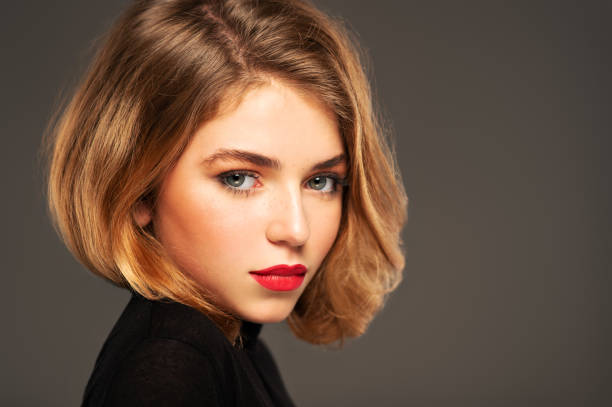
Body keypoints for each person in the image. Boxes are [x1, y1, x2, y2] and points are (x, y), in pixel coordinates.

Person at [44, 0, 408, 405]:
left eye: (320, 181)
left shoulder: (233, 348)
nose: (295, 228)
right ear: (138, 189)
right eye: (238, 178)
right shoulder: (170, 369)